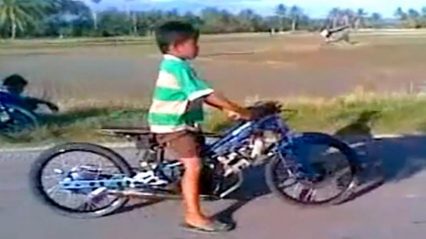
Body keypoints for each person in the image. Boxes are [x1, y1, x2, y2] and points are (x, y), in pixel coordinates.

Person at [148, 21, 252, 233]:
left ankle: (202, 188)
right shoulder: (176, 67)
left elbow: (199, 94)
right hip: (173, 126)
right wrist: (241, 110)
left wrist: (226, 109)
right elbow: (207, 94)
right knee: (193, 166)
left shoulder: (179, 65)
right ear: (177, 46)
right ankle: (193, 216)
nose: (197, 47)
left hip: (184, 123)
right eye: (194, 43)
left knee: (204, 157)